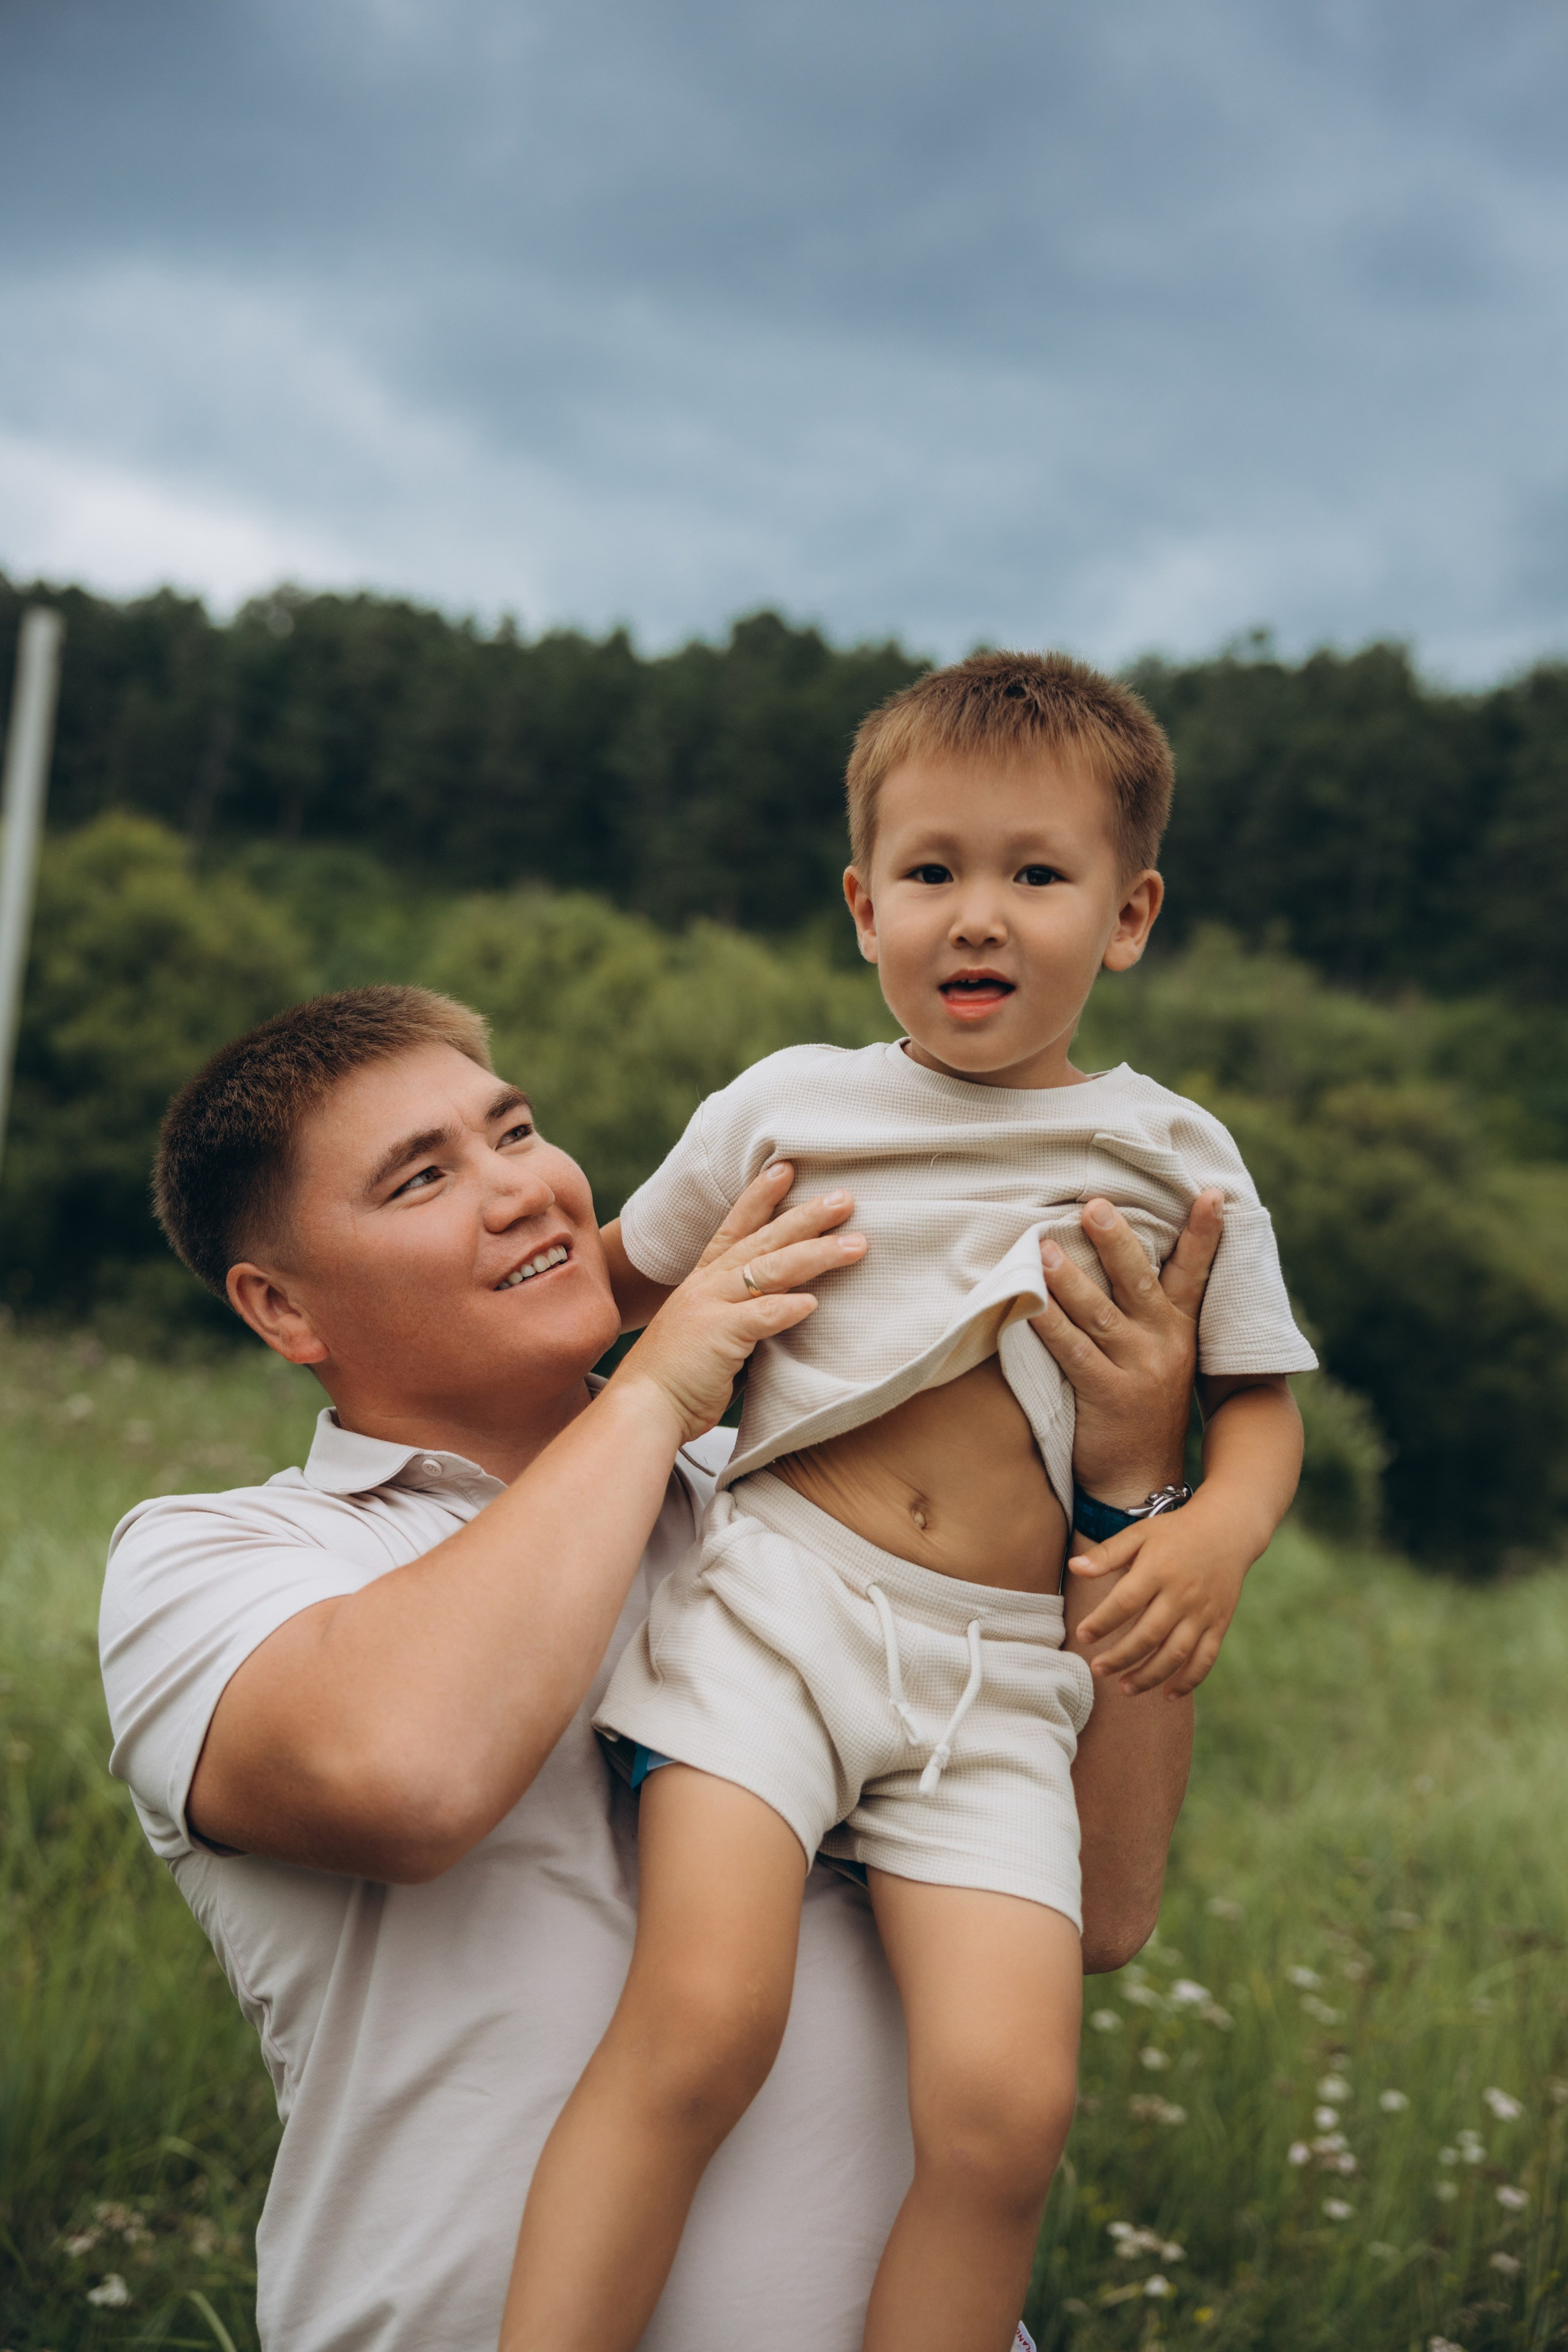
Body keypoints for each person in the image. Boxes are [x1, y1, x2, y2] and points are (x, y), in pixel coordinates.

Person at [101, 979, 1209, 2352]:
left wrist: (1129, 1491)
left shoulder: (796, 1512)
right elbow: (403, 1778)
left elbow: (1096, 1903)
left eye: (514, 1133)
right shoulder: (218, 1560)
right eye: (422, 1180)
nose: (522, 1192)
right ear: (281, 1310)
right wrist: (652, 1392)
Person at [502, 652, 1315, 2352]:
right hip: (778, 1613)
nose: (979, 919)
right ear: (864, 904)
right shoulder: (788, 1104)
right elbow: (620, 1293)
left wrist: (1217, 1531)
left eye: (1038, 876)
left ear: (1131, 914)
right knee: (707, 2020)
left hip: (1006, 1678)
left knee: (1007, 2120)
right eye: (934, 874)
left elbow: (1257, 1413)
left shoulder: (1177, 1156)